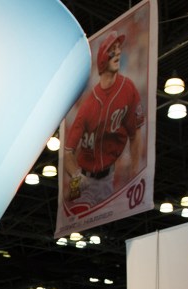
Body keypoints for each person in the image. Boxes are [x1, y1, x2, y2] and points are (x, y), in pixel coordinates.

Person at [63, 31, 145, 214]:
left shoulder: (128, 88)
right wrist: (77, 179)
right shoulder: (88, 106)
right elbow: (68, 153)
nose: (118, 53)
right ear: (102, 59)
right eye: (112, 50)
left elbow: (135, 133)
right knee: (75, 212)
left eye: (118, 49)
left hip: (108, 178)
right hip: (84, 178)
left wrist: (134, 172)